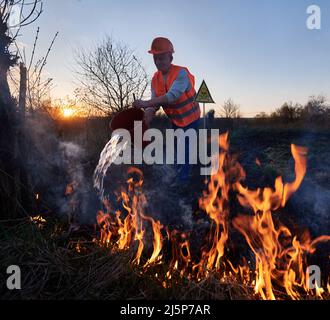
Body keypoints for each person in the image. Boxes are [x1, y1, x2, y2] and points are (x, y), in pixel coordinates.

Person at [133, 37, 201, 185]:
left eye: (161, 58)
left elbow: (172, 96)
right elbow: (154, 102)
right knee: (177, 146)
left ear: (170, 56)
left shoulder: (181, 73)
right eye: (155, 58)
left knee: (186, 146)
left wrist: (144, 104)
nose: (158, 62)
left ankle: (183, 182)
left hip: (192, 118)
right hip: (176, 120)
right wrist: (146, 117)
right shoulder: (155, 79)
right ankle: (179, 173)